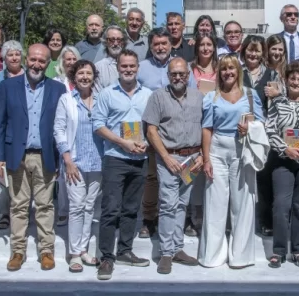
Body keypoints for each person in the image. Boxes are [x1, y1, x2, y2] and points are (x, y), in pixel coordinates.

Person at [0, 44, 67, 272]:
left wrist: (60, 159)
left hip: (45, 156)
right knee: (18, 206)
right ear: (26, 59)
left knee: (45, 206)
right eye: (33, 59)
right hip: (17, 155)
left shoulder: (57, 89)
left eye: (42, 61)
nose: (37, 64)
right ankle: (18, 251)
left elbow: (61, 126)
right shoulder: (8, 86)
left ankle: (46, 251)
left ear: (48, 63)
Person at [199, 54, 264, 269]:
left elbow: (261, 123)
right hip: (217, 149)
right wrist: (206, 158)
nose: (228, 72)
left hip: (242, 149)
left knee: (243, 203)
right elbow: (206, 129)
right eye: (224, 68)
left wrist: (250, 128)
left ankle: (241, 256)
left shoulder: (251, 95)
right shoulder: (211, 97)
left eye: (232, 68)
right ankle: (213, 255)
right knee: (215, 204)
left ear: (238, 71)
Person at [92, 49, 153, 281]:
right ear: (118, 68)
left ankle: (125, 250)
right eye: (124, 66)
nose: (128, 70)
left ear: (138, 68)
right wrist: (122, 143)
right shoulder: (107, 94)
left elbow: (152, 126)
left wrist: (146, 144)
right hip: (115, 158)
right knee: (110, 209)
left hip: (140, 159)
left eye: (132, 66)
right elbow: (98, 125)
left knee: (131, 209)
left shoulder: (148, 94)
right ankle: (107, 257)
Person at [143, 57, 203, 274]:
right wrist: (166, 157)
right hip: (168, 158)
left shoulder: (198, 97)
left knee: (182, 204)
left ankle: (177, 248)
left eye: (182, 74)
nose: (178, 77)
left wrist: (203, 155)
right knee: (168, 204)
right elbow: (151, 131)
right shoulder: (158, 97)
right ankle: (166, 252)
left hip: (192, 159)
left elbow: (206, 128)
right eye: (173, 74)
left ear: (188, 75)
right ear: (168, 76)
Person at [264, 61, 299, 269]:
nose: (296, 82)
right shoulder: (277, 102)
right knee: (281, 205)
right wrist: (284, 149)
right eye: (292, 78)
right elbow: (269, 130)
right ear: (286, 81)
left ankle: (298, 249)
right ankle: (279, 250)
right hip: (283, 159)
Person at [53, 59, 104, 272]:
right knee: (76, 207)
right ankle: (74, 253)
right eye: (81, 73)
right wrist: (67, 160)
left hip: (98, 162)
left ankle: (83, 249)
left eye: (89, 73)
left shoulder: (102, 99)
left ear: (94, 77)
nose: (85, 77)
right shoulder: (67, 99)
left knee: (90, 207)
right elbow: (59, 130)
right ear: (74, 77)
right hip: (75, 162)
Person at [240, 35, 279, 236]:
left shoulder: (271, 74)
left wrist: (276, 94)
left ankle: (266, 220)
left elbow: (279, 104)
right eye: (250, 50)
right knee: (243, 177)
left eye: (257, 50)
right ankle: (241, 221)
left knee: (264, 178)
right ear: (244, 51)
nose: (253, 54)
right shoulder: (237, 72)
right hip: (240, 131)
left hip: (264, 131)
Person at [0, 40, 24, 231]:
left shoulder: (29, 76)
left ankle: (21, 212)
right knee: (1, 175)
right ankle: (4, 214)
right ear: (4, 57)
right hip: (1, 131)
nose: (14, 57)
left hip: (23, 132)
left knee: (22, 174)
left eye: (17, 54)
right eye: (10, 54)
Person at [185, 33, 218, 236]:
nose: (205, 48)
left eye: (209, 44)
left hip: (215, 125)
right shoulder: (190, 69)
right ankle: (190, 215)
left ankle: (208, 217)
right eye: (202, 45)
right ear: (196, 48)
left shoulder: (221, 68)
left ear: (214, 47)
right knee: (190, 172)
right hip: (192, 123)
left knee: (210, 170)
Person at [53, 44, 81, 227]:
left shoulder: (84, 79)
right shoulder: (56, 82)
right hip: (62, 129)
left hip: (81, 130)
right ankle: (63, 209)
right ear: (62, 61)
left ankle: (78, 210)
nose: (71, 62)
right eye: (67, 59)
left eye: (73, 59)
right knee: (63, 173)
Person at [94, 25, 127, 90]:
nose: (115, 43)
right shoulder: (98, 67)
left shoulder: (130, 65)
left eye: (119, 40)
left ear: (123, 42)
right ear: (105, 42)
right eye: (111, 40)